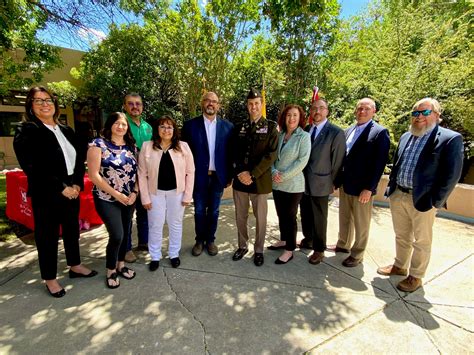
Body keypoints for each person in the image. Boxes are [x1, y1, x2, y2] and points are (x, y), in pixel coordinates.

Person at [13, 86, 97, 298]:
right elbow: (33, 167)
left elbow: (79, 160)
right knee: (47, 236)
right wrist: (62, 187)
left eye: (48, 99)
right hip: (47, 193)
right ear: (31, 106)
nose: (44, 104)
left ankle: (75, 265)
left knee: (71, 230)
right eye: (38, 101)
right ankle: (50, 278)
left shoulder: (66, 130)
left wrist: (77, 184)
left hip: (73, 189)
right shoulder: (27, 131)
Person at [377, 98, 463, 292]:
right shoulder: (407, 136)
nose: (419, 117)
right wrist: (393, 189)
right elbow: (397, 163)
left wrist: (436, 202)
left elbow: (452, 174)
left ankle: (416, 276)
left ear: (437, 115)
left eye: (425, 112)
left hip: (424, 199)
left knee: (421, 240)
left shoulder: (449, 138)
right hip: (399, 194)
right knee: (401, 235)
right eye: (415, 113)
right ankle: (400, 265)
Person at [332, 98, 390, 267]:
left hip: (362, 188)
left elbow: (379, 164)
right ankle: (343, 244)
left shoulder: (379, 132)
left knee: (361, 223)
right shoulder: (348, 130)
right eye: (359, 108)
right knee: (345, 218)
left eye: (366, 109)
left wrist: (369, 188)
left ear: (374, 112)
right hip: (346, 185)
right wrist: (337, 181)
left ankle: (357, 255)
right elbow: (343, 159)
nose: (362, 112)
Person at [87, 112, 138, 289]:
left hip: (129, 198)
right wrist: (117, 195)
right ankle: (110, 269)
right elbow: (93, 175)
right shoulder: (97, 144)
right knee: (116, 234)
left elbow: (137, 172)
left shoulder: (131, 146)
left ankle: (121, 265)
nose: (120, 127)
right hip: (107, 198)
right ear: (110, 125)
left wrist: (135, 192)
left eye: (124, 124)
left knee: (126, 232)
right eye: (117, 123)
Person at [138, 116, 195, 270]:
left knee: (175, 224)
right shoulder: (147, 147)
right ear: (157, 129)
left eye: (169, 127)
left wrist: (187, 195)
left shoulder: (183, 147)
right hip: (154, 193)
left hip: (177, 193)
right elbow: (142, 174)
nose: (166, 130)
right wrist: (145, 198)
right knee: (155, 225)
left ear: (174, 130)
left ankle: (174, 254)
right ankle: (155, 256)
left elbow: (190, 172)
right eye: (162, 126)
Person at [181, 92, 234, 257]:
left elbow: (230, 154)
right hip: (198, 177)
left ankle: (210, 240)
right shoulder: (190, 126)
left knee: (214, 211)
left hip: (218, 177)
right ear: (202, 103)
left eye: (214, 101)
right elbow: (184, 154)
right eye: (207, 100)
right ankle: (199, 241)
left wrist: (229, 176)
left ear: (218, 105)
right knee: (198, 210)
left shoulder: (228, 127)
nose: (211, 104)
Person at [232, 88, 279, 266]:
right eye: (250, 104)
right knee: (240, 216)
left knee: (261, 218)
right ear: (247, 105)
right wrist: (240, 172)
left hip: (259, 182)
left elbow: (271, 155)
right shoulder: (239, 127)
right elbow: (234, 152)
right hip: (240, 181)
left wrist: (251, 174)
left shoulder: (272, 127)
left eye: (257, 103)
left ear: (261, 104)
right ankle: (242, 246)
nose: (253, 107)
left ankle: (259, 250)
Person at [298, 99, 346, 265]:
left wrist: (335, 182)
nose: (317, 111)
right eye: (314, 108)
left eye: (321, 108)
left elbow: (338, 160)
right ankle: (308, 239)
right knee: (305, 212)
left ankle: (319, 249)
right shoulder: (306, 129)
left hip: (322, 182)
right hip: (302, 181)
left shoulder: (336, 132)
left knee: (319, 217)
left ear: (327, 111)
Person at [268, 104, 311, 264]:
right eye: (288, 115)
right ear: (283, 118)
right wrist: (273, 172)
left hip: (293, 185)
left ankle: (289, 249)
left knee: (290, 217)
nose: (291, 118)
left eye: (295, 115)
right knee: (281, 215)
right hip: (277, 184)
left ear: (300, 118)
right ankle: (284, 240)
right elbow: (272, 157)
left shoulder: (304, 136)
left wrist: (283, 175)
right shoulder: (279, 135)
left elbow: (302, 161)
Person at [123, 93, 152, 263]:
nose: (135, 107)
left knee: (144, 211)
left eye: (138, 104)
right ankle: (126, 248)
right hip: (127, 179)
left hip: (146, 177)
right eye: (131, 104)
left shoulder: (148, 127)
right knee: (127, 215)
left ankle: (143, 242)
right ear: (125, 106)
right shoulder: (121, 124)